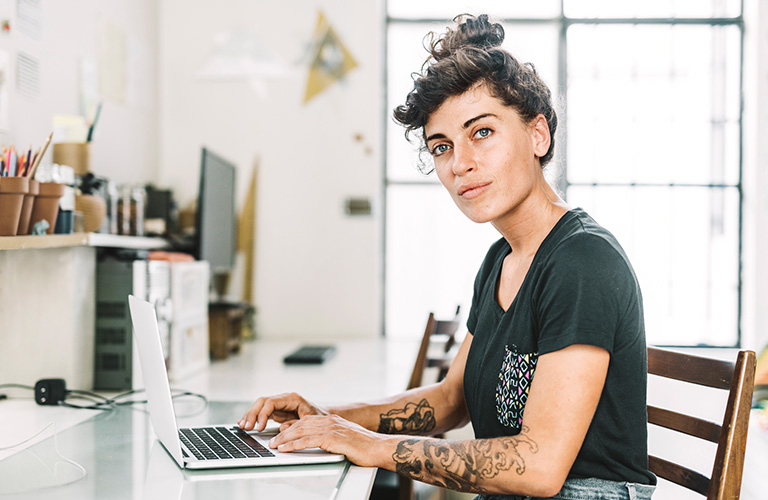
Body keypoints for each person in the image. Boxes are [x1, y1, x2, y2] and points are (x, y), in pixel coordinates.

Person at [239, 13, 656, 500]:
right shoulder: (501, 260)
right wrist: (328, 417)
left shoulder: (583, 259)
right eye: (442, 147)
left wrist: (372, 445)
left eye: (482, 132)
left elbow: (539, 466)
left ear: (538, 135)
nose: (460, 164)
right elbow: (450, 400)